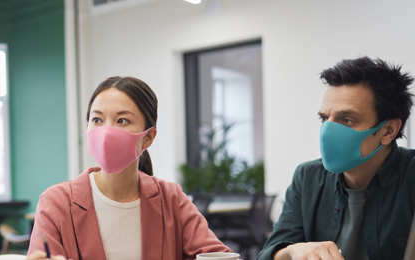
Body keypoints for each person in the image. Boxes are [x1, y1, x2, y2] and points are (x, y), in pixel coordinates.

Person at [27, 76, 232, 260]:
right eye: (97, 119)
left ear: (148, 137)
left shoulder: (171, 199)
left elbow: (218, 256)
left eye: (122, 120)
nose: (106, 132)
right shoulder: (55, 203)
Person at [257, 57, 415, 260]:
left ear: (388, 130)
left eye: (347, 120)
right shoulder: (307, 177)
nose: (327, 131)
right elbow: (268, 254)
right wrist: (290, 251)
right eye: (324, 118)